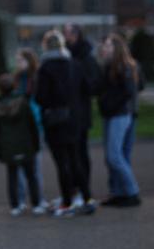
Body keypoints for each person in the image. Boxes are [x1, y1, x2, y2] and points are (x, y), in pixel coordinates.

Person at [35, 30, 95, 217]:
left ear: (46, 46)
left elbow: (41, 97)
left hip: (56, 120)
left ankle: (67, 201)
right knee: (75, 159)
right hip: (74, 119)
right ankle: (86, 198)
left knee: (62, 163)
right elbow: (87, 88)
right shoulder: (75, 64)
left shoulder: (45, 68)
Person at [98, 33, 142, 208]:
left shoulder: (125, 66)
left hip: (120, 114)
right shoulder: (108, 66)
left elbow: (129, 91)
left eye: (108, 46)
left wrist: (109, 102)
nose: (104, 48)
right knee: (113, 157)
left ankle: (132, 192)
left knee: (115, 156)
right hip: (111, 114)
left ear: (116, 48)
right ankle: (117, 192)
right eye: (104, 46)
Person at [0, 73, 43, 217]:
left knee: (12, 176)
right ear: (14, 86)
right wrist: (36, 144)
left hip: (8, 147)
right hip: (26, 144)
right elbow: (32, 125)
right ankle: (37, 204)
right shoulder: (23, 103)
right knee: (31, 175)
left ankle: (15, 205)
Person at [63, 23, 101, 206]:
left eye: (68, 33)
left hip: (80, 112)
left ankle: (84, 191)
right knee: (70, 155)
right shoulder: (67, 55)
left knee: (80, 154)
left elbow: (94, 85)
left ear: (76, 35)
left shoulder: (86, 58)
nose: (65, 36)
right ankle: (73, 190)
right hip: (68, 113)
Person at [11, 48, 46, 211]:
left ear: (29, 61)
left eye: (20, 60)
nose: (18, 64)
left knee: (35, 165)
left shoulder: (36, 78)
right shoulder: (17, 78)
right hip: (19, 126)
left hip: (34, 124)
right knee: (19, 164)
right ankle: (21, 199)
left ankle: (38, 198)